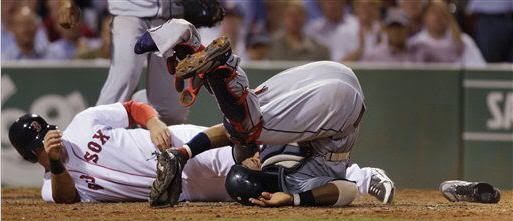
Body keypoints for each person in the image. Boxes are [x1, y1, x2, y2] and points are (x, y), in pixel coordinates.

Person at [137, 33, 395, 208]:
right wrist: (294, 199)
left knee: (245, 123)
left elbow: (227, 132)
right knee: (245, 124)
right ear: (261, 186)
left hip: (330, 89)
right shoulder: (289, 178)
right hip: (335, 95)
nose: (250, 161)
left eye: (245, 163)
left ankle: (200, 51)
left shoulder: (269, 146)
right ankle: (207, 58)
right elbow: (348, 190)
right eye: (249, 167)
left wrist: (184, 152)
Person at [8, 101, 235, 204]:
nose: (50, 140)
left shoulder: (82, 122)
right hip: (183, 190)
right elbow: (67, 198)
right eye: (41, 144)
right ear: (31, 156)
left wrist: (154, 123)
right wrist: (56, 162)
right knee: (247, 185)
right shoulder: (52, 188)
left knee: (250, 157)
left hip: (178, 145)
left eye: (48, 132)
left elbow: (131, 108)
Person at [57, 0, 224, 125]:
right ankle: (91, 129)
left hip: (171, 16)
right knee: (125, 77)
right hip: (130, 11)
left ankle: (140, 104)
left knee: (172, 113)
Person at [409, 0, 485, 67]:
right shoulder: (415, 44)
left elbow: (478, 69)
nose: (438, 17)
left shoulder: (463, 41)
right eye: (433, 13)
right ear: (424, 16)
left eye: (441, 13)